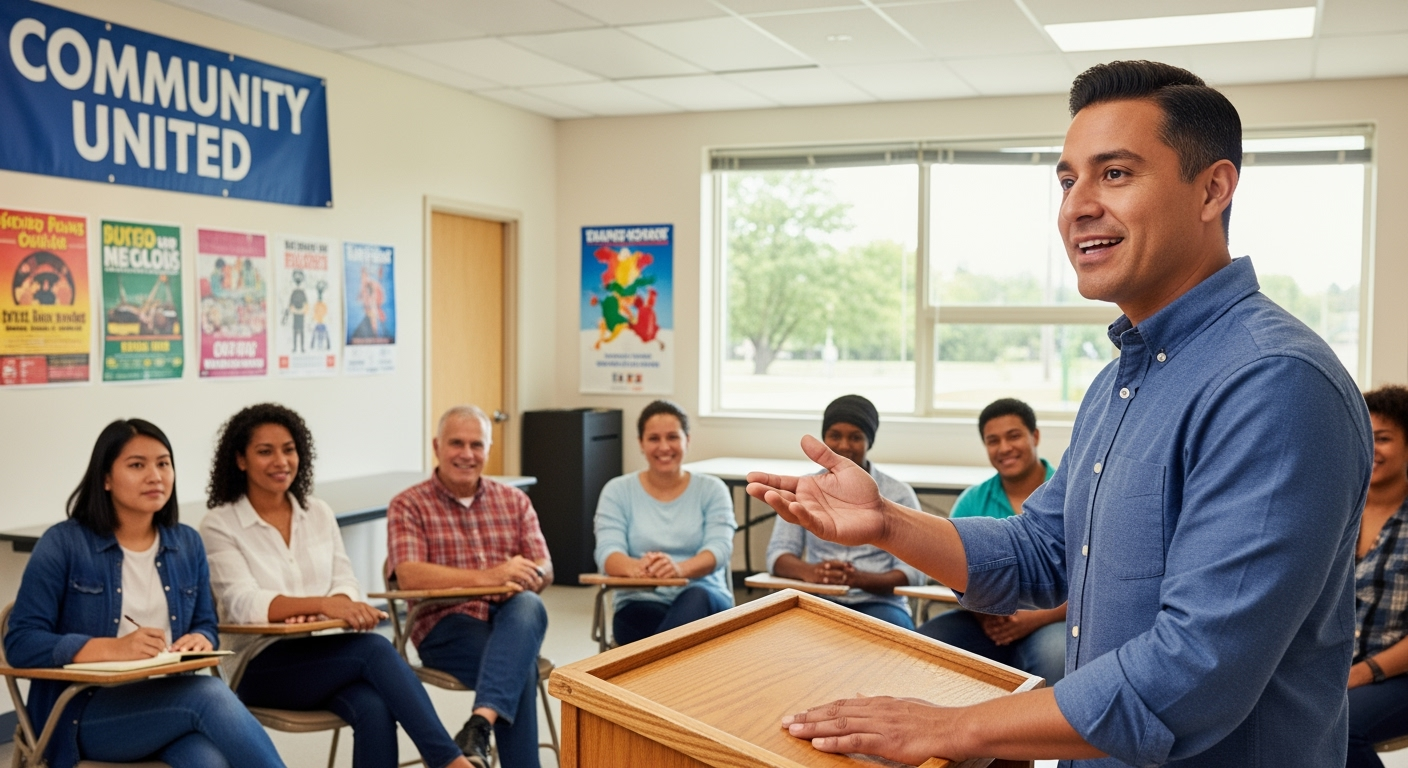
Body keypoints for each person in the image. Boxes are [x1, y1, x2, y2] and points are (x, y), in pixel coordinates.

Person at [745, 60, 1372, 768]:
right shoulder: (1121, 383)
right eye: (1068, 179)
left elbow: (1194, 671)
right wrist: (888, 523)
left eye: (1115, 174)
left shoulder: (1273, 382)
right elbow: (1040, 554)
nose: (1077, 206)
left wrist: (954, 728)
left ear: (1212, 189)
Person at [200, 403, 478, 768]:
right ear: (240, 460)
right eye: (265, 452)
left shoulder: (317, 512)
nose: (280, 461)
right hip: (256, 667)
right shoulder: (219, 524)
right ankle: (449, 761)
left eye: (288, 449)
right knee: (375, 649)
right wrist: (322, 605)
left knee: (374, 705)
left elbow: (344, 580)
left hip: (316, 653)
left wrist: (332, 604)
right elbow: (244, 603)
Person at [4, 419, 286, 768]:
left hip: (168, 701)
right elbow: (20, 644)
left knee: (208, 761)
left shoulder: (186, 543)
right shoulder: (64, 543)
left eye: (163, 463)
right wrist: (110, 649)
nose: (155, 476)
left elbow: (204, 622)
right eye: (137, 465)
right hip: (82, 713)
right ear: (105, 478)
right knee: (209, 693)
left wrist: (200, 637)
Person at [387, 405, 552, 768]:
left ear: (489, 449)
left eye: (476, 445)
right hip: (447, 627)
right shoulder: (408, 504)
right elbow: (410, 575)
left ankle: (478, 726)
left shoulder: (514, 500)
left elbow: (544, 565)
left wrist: (530, 575)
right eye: (456, 443)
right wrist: (494, 577)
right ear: (436, 446)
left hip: (511, 620)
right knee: (517, 667)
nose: (466, 454)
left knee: (529, 605)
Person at [917, 398, 1065, 683]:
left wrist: (1033, 619)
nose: (1004, 448)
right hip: (984, 620)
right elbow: (948, 566)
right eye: (993, 440)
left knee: (1056, 656)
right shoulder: (972, 500)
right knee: (925, 643)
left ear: (1035, 436)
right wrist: (984, 615)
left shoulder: (1067, 493)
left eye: (1014, 436)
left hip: (1052, 619)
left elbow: (1090, 579)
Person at [766, 395, 922, 629]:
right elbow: (778, 555)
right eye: (835, 436)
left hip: (880, 603)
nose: (844, 446)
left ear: (869, 442)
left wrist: (859, 579)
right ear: (824, 439)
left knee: (899, 645)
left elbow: (913, 572)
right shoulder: (806, 487)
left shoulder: (898, 493)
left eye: (856, 437)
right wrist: (813, 572)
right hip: (816, 598)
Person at [594, 400, 736, 645]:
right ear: (640, 443)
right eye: (653, 439)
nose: (664, 447)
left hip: (705, 596)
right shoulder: (616, 491)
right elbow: (607, 553)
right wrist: (641, 568)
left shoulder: (712, 489)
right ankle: (670, 678)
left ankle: (652, 679)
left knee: (694, 601)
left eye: (672, 437)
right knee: (652, 625)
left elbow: (719, 550)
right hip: (639, 600)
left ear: (687, 440)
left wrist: (679, 570)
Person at [1348, 385, 1408, 767]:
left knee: (1342, 726)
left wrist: (1365, 672)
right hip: (1334, 666)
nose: (1371, 448)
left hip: (1395, 672)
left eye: (1383, 438)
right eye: (1364, 436)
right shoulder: (1338, 509)